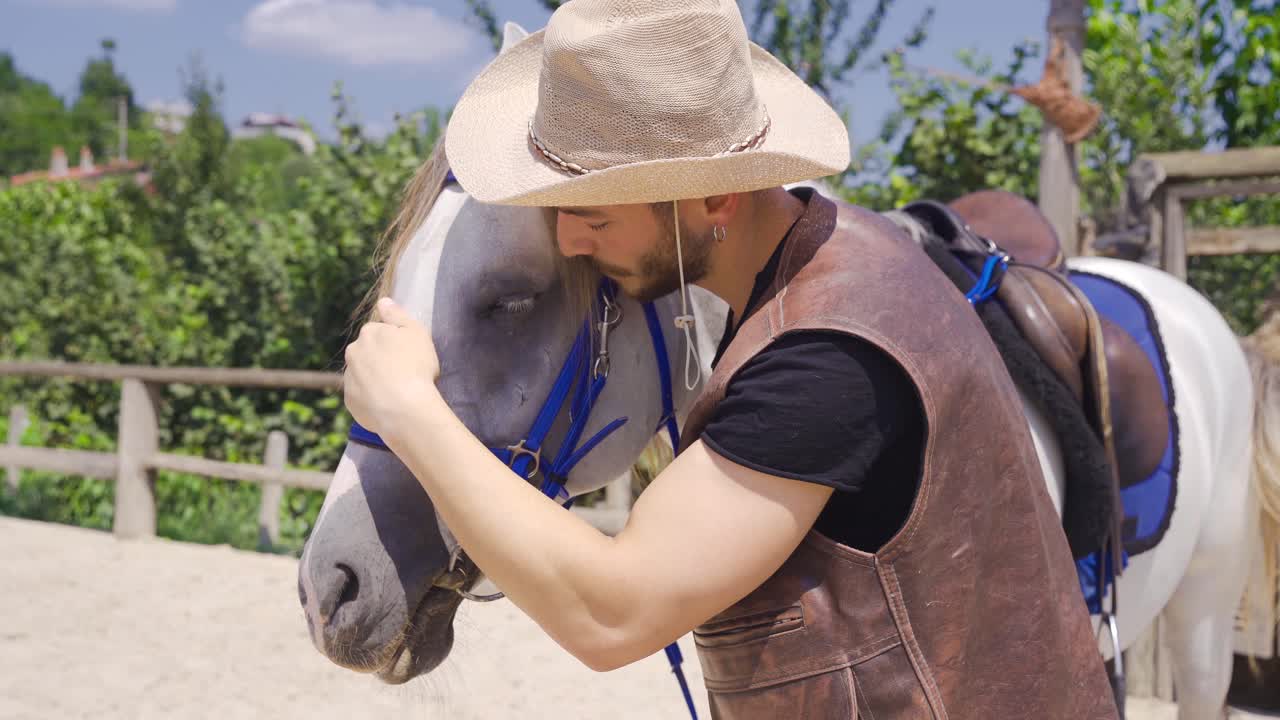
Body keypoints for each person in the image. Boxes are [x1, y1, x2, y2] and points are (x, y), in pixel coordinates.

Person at [342, 1, 1119, 717]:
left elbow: (614, 613)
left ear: (714, 200)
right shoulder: (829, 260)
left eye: (592, 217)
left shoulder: (828, 359)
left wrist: (411, 411)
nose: (573, 243)